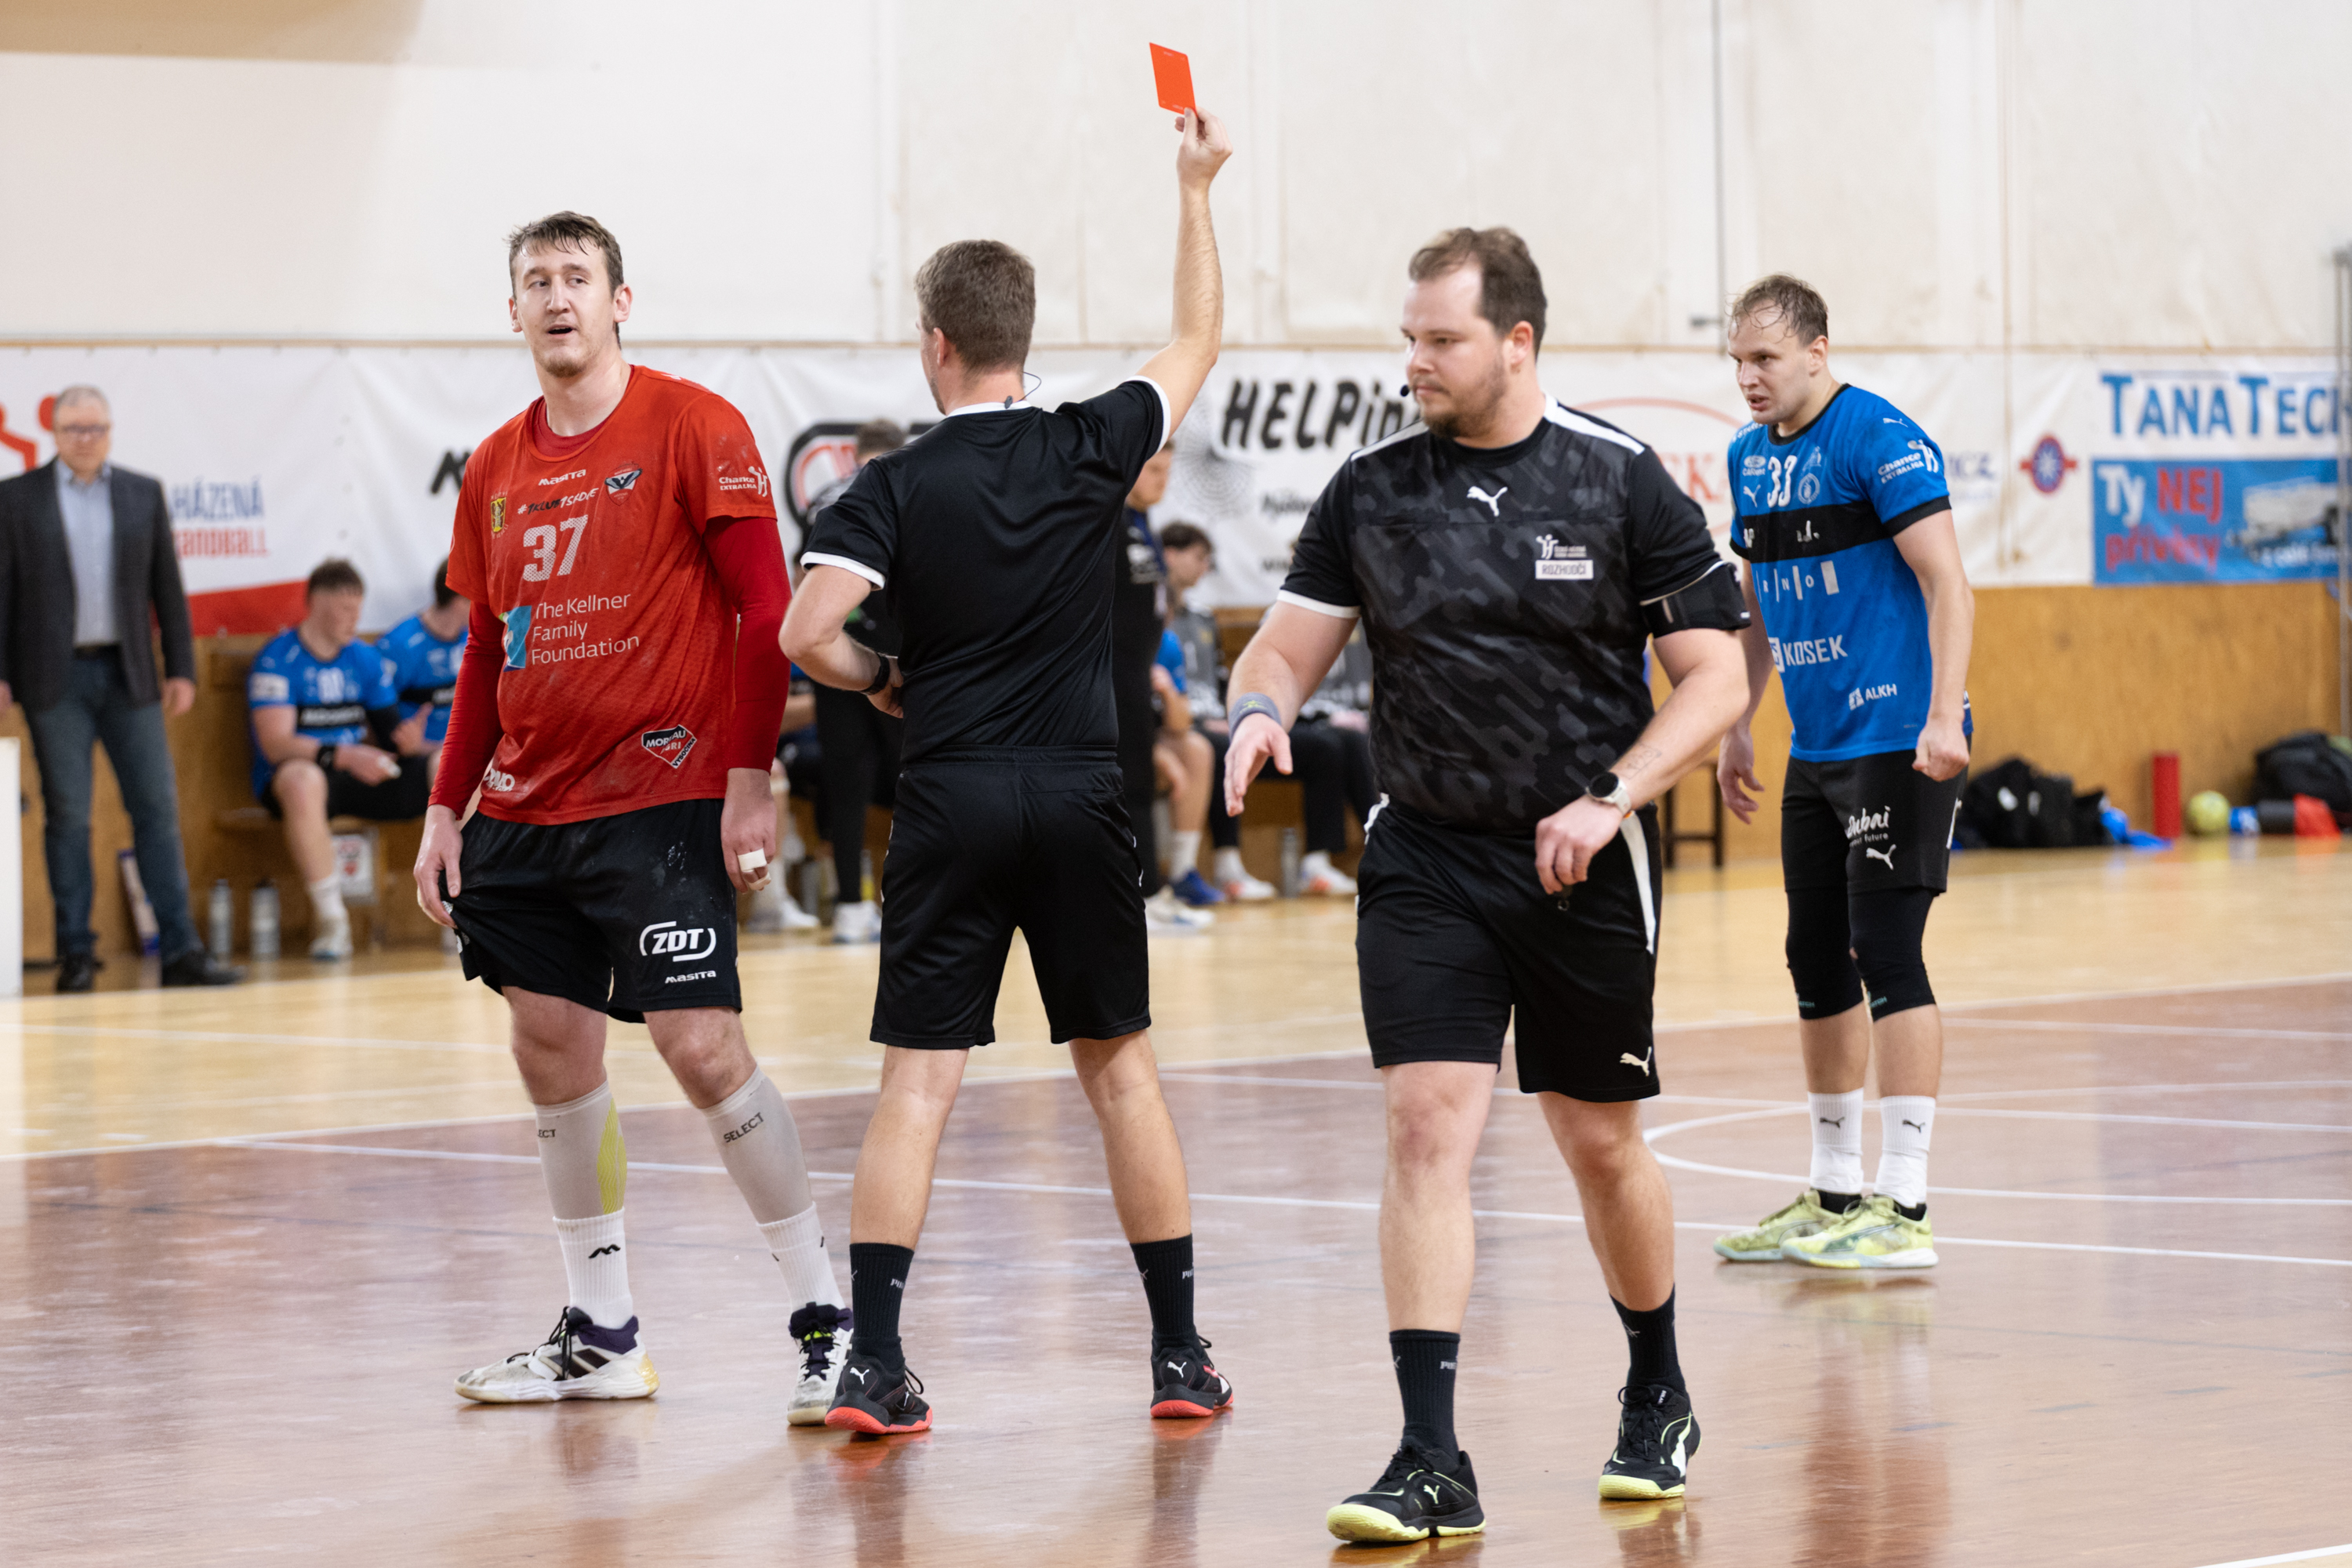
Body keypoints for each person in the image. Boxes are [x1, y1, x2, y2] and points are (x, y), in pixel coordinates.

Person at [1224, 227, 1751, 1541]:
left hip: (1583, 861)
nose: (1416, 361)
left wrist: (1613, 795)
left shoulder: (1618, 481)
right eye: (1409, 338)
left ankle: (1658, 1386)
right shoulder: (1370, 490)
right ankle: (1429, 1456)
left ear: (1517, 342)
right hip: (1425, 856)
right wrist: (1258, 711)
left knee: (1597, 1139)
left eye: (1442, 340)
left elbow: (1717, 680)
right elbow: (1281, 650)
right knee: (1425, 1129)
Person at [781, 107, 1236, 1436]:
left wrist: (882, 679)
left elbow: (808, 632)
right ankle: (1177, 1358)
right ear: (1020, 342)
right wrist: (1194, 189)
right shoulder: (1091, 440)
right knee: (1122, 1072)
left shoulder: (892, 484)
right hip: (1082, 796)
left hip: (953, 795)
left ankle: (874, 1366)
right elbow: (1198, 338)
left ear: (936, 343)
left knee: (919, 1085)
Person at [410, 210, 848, 1422]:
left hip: (665, 794)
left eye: (577, 278)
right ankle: (601, 1334)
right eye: (535, 281)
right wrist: (446, 806)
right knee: (548, 1045)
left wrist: (751, 775)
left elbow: (766, 613)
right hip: (525, 808)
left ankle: (830, 1323)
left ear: (619, 301)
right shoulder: (494, 467)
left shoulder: (696, 426)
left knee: (701, 1049)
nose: (557, 297)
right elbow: (486, 652)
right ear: (512, 310)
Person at [1711, 274, 1974, 1271]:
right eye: (1738, 360)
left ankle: (1904, 1207)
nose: (1749, 377)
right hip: (1816, 746)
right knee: (1814, 958)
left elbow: (1949, 584)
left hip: (1899, 736)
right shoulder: (1748, 458)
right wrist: (1738, 720)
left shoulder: (1880, 438)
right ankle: (1833, 1193)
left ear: (1818, 352)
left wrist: (1942, 714)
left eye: (1766, 358)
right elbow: (1756, 599)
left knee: (1886, 950)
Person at [0, 385, 238, 990]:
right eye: (74, 429)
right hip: (53, 679)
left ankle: (181, 950)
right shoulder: (16, 499)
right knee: (68, 816)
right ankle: (76, 954)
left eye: (96, 428)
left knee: (156, 809)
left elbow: (168, 588)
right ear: (54, 434)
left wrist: (181, 668)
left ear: (110, 432)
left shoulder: (142, 493)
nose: (86, 439)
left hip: (130, 674)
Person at [248, 558, 434, 961]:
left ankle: (467, 905)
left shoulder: (364, 658)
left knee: (446, 765)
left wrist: (410, 742)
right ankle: (333, 922)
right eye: (345, 608)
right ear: (316, 603)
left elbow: (390, 732)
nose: (355, 619)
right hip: (307, 780)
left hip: (362, 772)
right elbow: (276, 744)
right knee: (300, 779)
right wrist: (345, 756)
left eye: (358, 608)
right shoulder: (278, 659)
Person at [804, 420, 909, 944]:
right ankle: (910, 902)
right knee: (911, 784)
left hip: (836, 659)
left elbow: (804, 581)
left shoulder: (824, 498)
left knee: (847, 788)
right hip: (895, 657)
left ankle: (850, 907)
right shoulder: (903, 487)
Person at [1115, 445, 1213, 931]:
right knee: (1128, 789)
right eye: (1153, 469)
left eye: (1167, 470)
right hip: (1111, 678)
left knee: (1139, 787)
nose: (1162, 480)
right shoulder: (1108, 525)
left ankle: (1153, 891)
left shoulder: (1143, 525)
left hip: (1138, 677)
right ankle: (1141, 897)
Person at [1158, 522, 1275, 902]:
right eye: (1198, 558)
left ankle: (1212, 869)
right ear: (1169, 556)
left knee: (1230, 741)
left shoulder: (1202, 619)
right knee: (1211, 747)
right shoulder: (1146, 619)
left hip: (1190, 722)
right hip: (1152, 725)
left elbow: (1224, 682)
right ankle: (1194, 871)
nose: (1204, 567)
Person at [376, 556, 470, 779]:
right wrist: (410, 744)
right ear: (460, 600)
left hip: (467, 754)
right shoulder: (400, 646)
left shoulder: (475, 638)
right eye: (483, 597)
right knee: (447, 765)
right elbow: (374, 720)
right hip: (420, 763)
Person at [1149, 626, 1221, 906]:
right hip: (1106, 743)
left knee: (1197, 750)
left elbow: (1180, 724)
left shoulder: (1166, 641)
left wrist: (1167, 691)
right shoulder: (1111, 636)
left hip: (1146, 739)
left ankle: (1182, 872)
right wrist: (1154, 753)